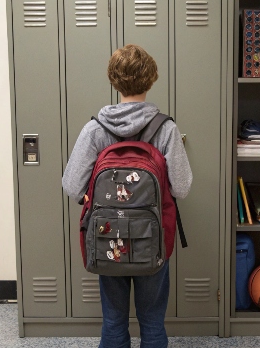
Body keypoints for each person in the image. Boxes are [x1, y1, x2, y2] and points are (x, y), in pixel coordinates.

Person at [62, 44, 192, 348]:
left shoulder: (95, 129)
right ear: (151, 80)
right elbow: (183, 187)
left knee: (113, 321)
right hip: (153, 238)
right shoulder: (165, 128)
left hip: (108, 239)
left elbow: (71, 186)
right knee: (152, 322)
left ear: (114, 81)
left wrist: (91, 199)